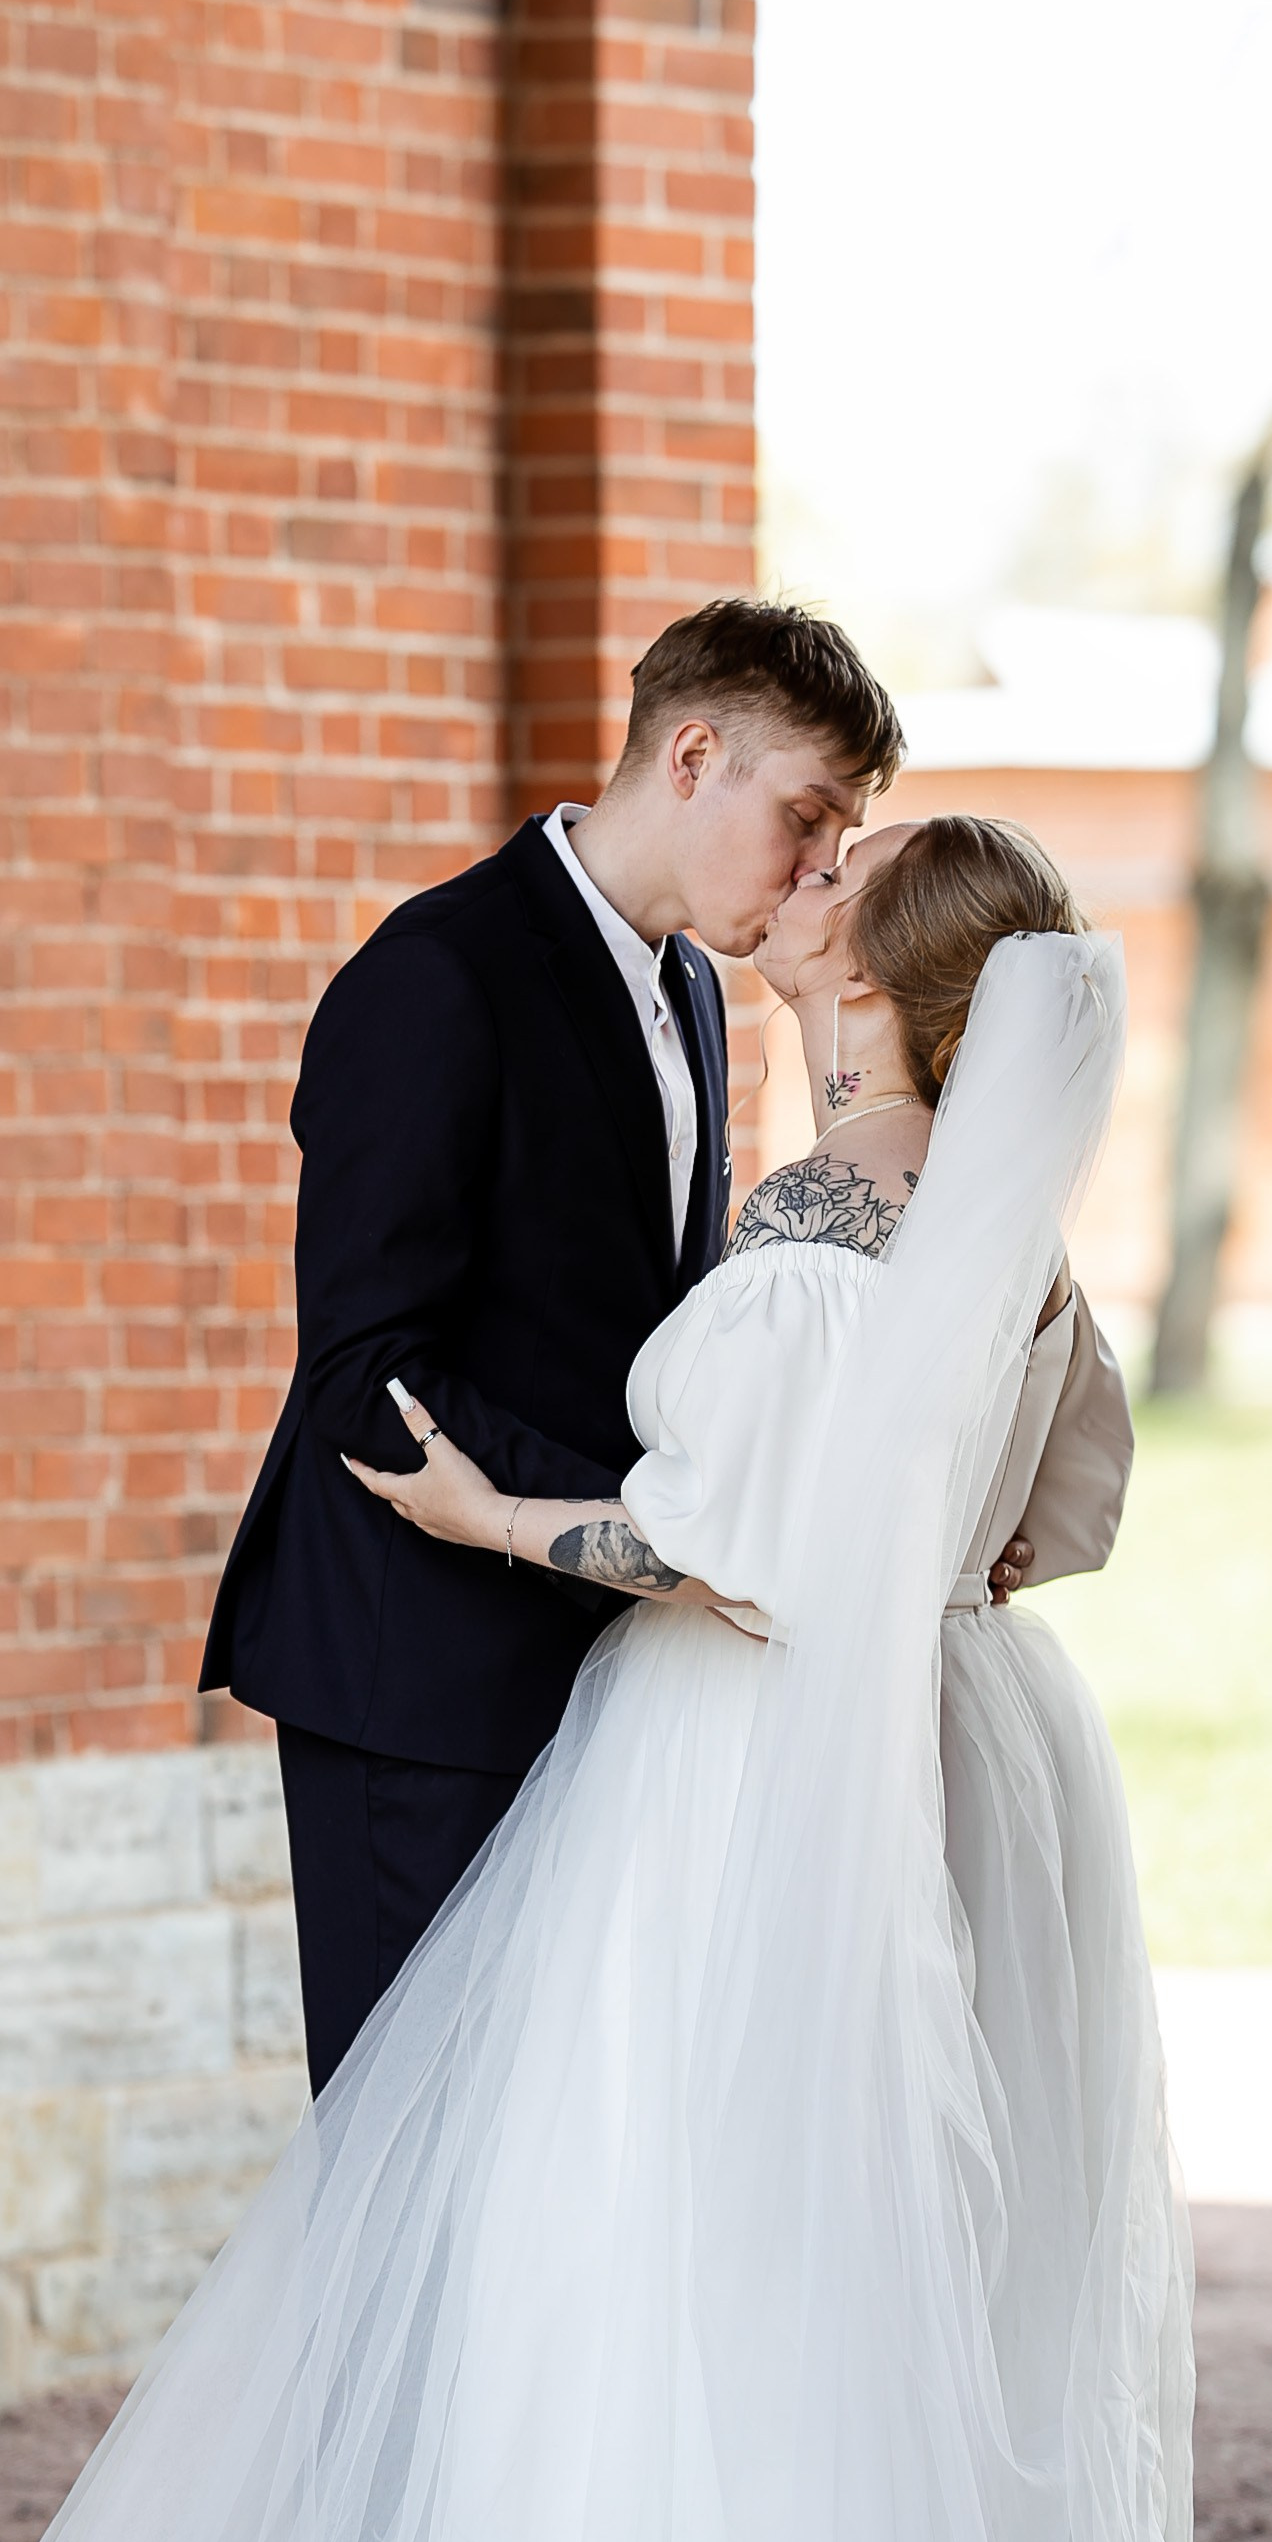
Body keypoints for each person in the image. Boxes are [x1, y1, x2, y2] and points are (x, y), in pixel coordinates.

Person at [0, 813, 1251, 2542]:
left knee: (654, 2263)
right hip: (971, 1744)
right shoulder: (1015, 1253)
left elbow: (730, 1544)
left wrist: (491, 1509)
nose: (806, 878)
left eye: (851, 878)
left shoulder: (836, 1231)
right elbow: (1066, 1514)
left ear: (879, 986)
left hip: (741, 1776)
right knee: (880, 2283)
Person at [201, 599, 907, 2093]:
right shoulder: (438, 972)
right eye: (805, 818)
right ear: (696, 754)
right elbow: (365, 1376)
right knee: (419, 2177)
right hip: (422, 1674)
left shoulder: (698, 995)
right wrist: (637, 1527)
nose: (819, 871)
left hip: (603, 1648)